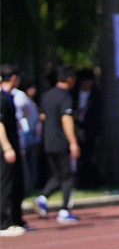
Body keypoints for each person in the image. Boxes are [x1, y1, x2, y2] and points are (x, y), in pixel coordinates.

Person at [33, 65, 80, 224]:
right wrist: (73, 142)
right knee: (68, 177)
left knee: (57, 175)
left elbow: (42, 116)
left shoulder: (46, 96)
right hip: (61, 141)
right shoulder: (65, 96)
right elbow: (66, 118)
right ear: (70, 79)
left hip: (48, 141)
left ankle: (42, 197)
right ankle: (65, 210)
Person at [1, 66, 28, 236]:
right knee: (5, 185)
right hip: (5, 149)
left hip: (14, 146)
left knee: (17, 184)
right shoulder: (2, 99)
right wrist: (7, 147)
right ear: (13, 78)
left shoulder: (9, 97)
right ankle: (2, 223)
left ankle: (16, 219)